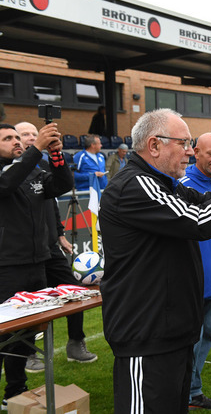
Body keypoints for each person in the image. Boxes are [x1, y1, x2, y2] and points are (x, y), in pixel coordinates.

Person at [99, 108, 211, 413]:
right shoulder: (135, 184)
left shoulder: (167, 184)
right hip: (146, 336)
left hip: (172, 333)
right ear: (154, 145)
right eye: (183, 143)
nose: (188, 151)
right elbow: (199, 220)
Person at [0, 122, 73, 406]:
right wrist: (37, 149)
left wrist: (55, 155)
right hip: (6, 266)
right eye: (8, 138)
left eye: (17, 137)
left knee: (26, 333)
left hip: (37, 262)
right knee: (5, 334)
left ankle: (15, 392)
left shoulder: (31, 169)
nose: (16, 141)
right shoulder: (13, 171)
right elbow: (7, 184)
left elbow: (62, 185)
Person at [15, 122, 98, 369]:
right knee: (30, 302)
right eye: (25, 134)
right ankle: (29, 353)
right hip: (23, 251)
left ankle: (76, 342)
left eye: (34, 133)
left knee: (75, 289)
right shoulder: (11, 170)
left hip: (49, 245)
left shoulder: (41, 166)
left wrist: (60, 234)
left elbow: (50, 201)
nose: (31, 137)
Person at [178, 133, 211, 410]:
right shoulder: (182, 186)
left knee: (207, 335)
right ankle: (185, 393)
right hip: (192, 281)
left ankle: (192, 392)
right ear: (195, 152)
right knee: (191, 340)